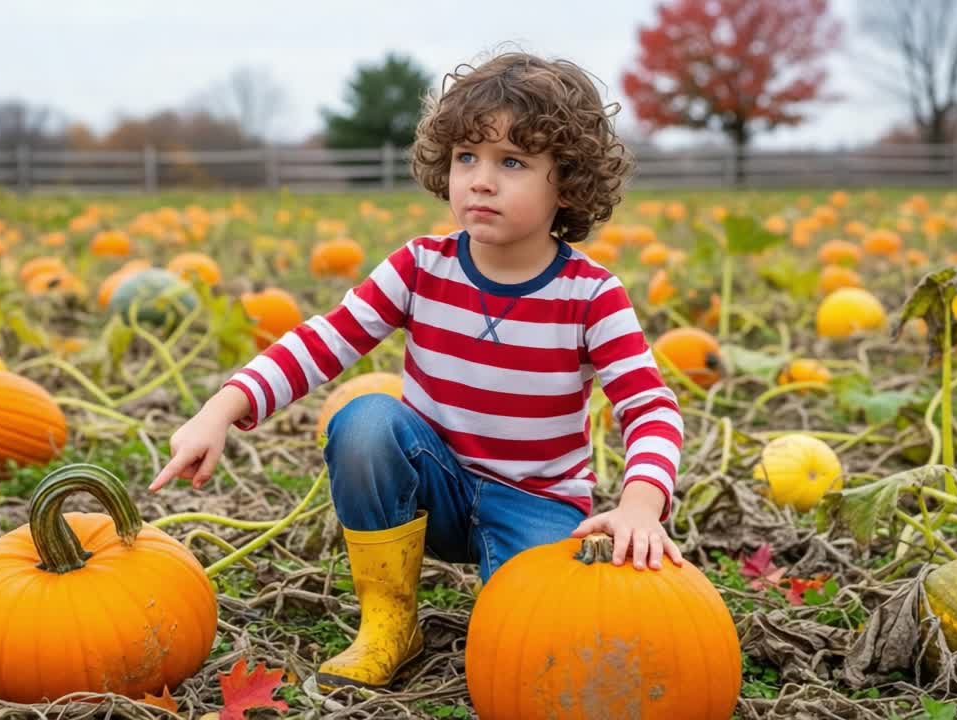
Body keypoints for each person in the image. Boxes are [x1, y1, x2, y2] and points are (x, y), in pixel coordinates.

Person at [148, 51, 685, 692]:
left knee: (539, 644)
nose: (480, 181)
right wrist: (221, 410)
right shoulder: (421, 267)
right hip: (438, 486)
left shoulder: (592, 295)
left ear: (566, 182)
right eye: (467, 158)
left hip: (537, 505)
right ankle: (389, 623)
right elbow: (326, 339)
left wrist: (639, 506)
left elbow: (650, 406)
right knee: (367, 420)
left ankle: (507, 596)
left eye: (511, 162)